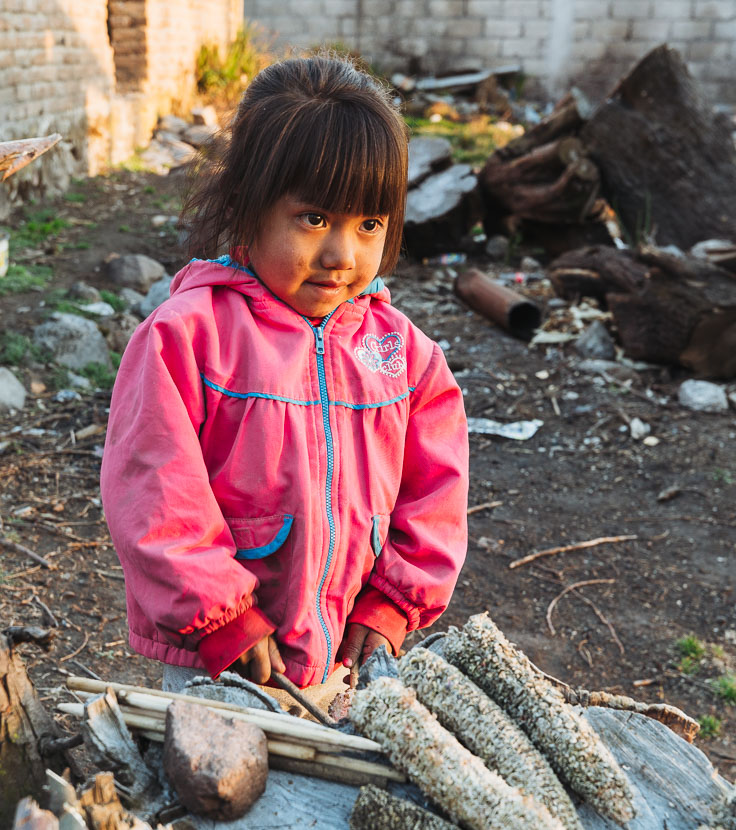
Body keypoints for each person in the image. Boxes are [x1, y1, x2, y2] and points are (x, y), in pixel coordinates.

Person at [100, 55, 469, 698]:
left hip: (348, 661)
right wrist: (221, 617)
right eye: (314, 219)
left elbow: (435, 497)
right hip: (219, 660)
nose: (340, 255)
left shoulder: (405, 357)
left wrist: (392, 605)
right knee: (212, 794)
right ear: (249, 206)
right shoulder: (186, 337)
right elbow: (154, 492)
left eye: (369, 225)